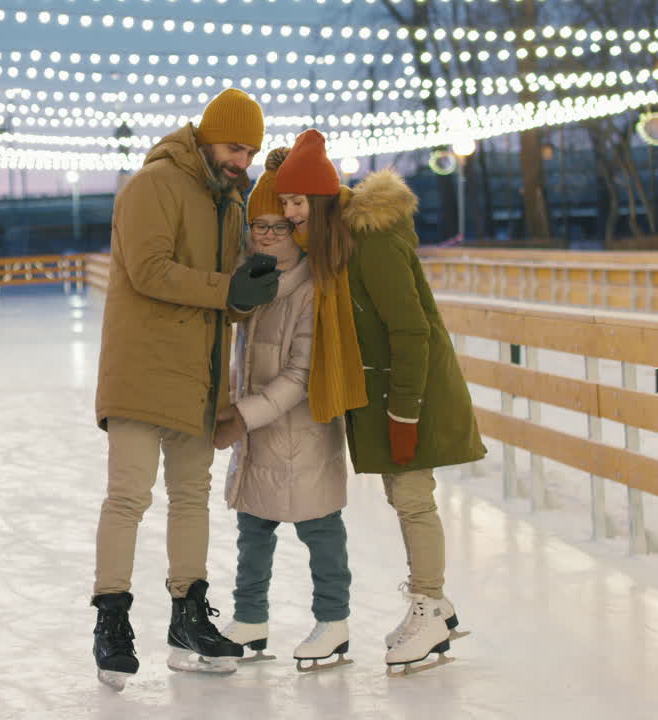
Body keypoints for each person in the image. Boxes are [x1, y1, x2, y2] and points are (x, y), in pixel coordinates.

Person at [89, 88, 281, 691]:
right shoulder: (153, 185)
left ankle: (187, 616)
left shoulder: (229, 202)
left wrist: (246, 295)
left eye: (250, 152)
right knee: (129, 497)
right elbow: (147, 270)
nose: (241, 161)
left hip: (199, 374)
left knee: (192, 498)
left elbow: (225, 297)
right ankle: (112, 621)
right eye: (233, 147)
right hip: (143, 369)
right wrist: (228, 290)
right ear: (204, 136)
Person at [274, 128, 486, 672]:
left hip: (410, 392)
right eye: (285, 202)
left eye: (297, 201)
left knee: (414, 498)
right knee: (403, 497)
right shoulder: (335, 246)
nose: (290, 212)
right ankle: (434, 602)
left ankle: (429, 603)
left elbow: (411, 331)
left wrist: (403, 413)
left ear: (320, 199)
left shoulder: (372, 242)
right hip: (386, 393)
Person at [212, 148, 354, 674]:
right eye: (256, 225)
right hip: (257, 433)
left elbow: (300, 372)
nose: (266, 234)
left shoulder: (314, 288)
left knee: (320, 527)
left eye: (277, 225)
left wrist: (242, 415)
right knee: (252, 528)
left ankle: (334, 621)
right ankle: (250, 618)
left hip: (303, 432)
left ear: (299, 230)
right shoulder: (252, 283)